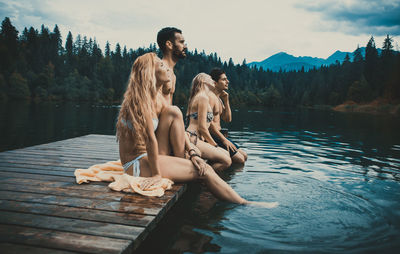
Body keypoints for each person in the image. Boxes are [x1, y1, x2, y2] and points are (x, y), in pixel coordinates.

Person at [116, 52, 255, 204]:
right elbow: (150, 140)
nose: (167, 69)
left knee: (174, 111)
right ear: (150, 73)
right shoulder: (140, 101)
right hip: (136, 164)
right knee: (205, 170)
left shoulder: (159, 98)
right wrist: (156, 175)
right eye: (162, 66)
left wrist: (193, 153)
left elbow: (178, 129)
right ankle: (244, 203)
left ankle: (183, 161)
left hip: (152, 156)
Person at [186, 73, 232, 171]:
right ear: (203, 82)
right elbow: (202, 127)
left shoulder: (199, 96)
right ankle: (203, 177)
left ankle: (205, 174)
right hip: (194, 138)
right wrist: (214, 145)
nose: (213, 81)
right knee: (227, 161)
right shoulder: (202, 97)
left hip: (196, 138)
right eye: (210, 79)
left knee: (226, 154)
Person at [209, 68, 248, 164]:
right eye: (224, 79)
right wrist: (224, 140)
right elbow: (209, 123)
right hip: (212, 136)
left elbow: (227, 119)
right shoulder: (210, 97)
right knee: (240, 159)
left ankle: (225, 175)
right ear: (215, 82)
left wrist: (226, 100)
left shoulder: (219, 99)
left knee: (244, 156)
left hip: (219, 135)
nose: (227, 81)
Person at [157, 27, 187, 105]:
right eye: (181, 42)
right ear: (169, 45)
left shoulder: (172, 74)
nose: (185, 46)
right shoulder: (158, 69)